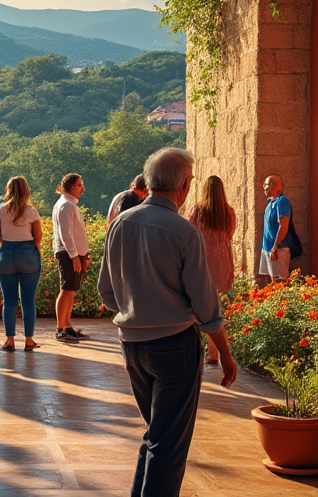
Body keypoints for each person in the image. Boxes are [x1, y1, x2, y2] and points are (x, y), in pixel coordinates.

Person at [99, 147, 236, 497]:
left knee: (157, 434)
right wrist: (224, 351)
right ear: (185, 185)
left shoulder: (119, 225)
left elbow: (106, 292)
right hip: (174, 344)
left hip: (131, 345)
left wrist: (134, 309)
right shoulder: (182, 231)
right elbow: (206, 303)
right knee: (168, 444)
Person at [187, 176, 236, 367]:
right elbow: (230, 233)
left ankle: (207, 351)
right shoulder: (228, 212)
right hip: (221, 262)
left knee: (199, 306)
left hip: (203, 262)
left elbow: (190, 232)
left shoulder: (199, 210)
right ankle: (214, 352)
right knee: (215, 307)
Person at [0, 176, 42, 351]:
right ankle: (29, 340)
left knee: (9, 301)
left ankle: (10, 340)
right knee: (28, 301)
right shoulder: (31, 212)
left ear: (8, 190)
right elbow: (38, 237)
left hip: (6, 255)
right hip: (28, 254)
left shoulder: (0, 210)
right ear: (26, 190)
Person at [52, 173, 92, 343]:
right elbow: (65, 234)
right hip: (68, 254)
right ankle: (60, 328)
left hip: (74, 253)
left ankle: (66, 325)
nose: (82, 189)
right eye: (80, 185)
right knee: (67, 289)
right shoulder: (66, 205)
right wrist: (74, 256)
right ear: (71, 187)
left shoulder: (69, 204)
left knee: (71, 290)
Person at [259, 175, 293, 283]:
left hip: (278, 249)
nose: (263, 187)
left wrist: (275, 247)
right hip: (268, 248)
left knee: (280, 282)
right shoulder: (271, 203)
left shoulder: (282, 202)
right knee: (272, 281)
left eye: (266, 184)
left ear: (273, 186)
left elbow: (283, 225)